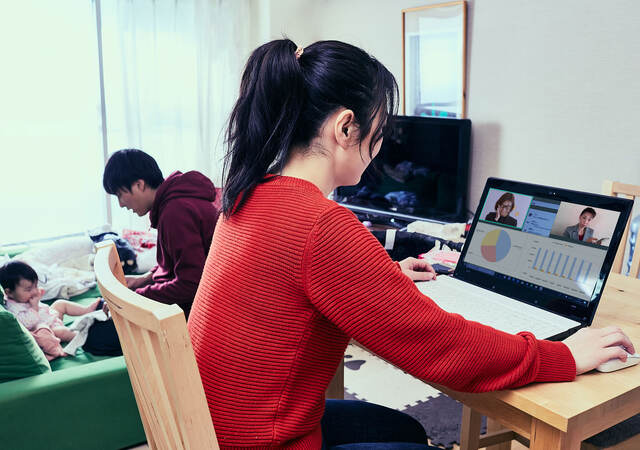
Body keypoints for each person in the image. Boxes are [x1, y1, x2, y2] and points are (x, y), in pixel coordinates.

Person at [187, 39, 634, 449]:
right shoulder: (322, 225)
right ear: (346, 127)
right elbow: (443, 347)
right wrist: (561, 355)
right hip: (265, 439)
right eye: (380, 131)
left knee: (406, 431)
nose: (381, 146)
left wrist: (383, 278)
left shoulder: (250, 193)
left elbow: (285, 289)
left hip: (220, 425)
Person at [103, 149, 220, 318]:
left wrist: (136, 297)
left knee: (99, 336)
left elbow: (190, 284)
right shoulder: (173, 205)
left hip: (203, 309)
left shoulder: (176, 212)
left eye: (121, 195)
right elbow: (176, 263)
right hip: (196, 299)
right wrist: (143, 279)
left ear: (139, 185)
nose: (121, 204)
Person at [0, 261, 102, 353]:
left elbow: (42, 307)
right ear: (9, 292)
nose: (34, 291)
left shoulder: (22, 297)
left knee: (60, 304)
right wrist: (35, 306)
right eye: (28, 289)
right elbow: (27, 323)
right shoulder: (12, 308)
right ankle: (82, 337)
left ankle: (86, 310)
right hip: (47, 329)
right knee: (61, 332)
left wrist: (38, 299)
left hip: (49, 317)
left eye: (35, 286)